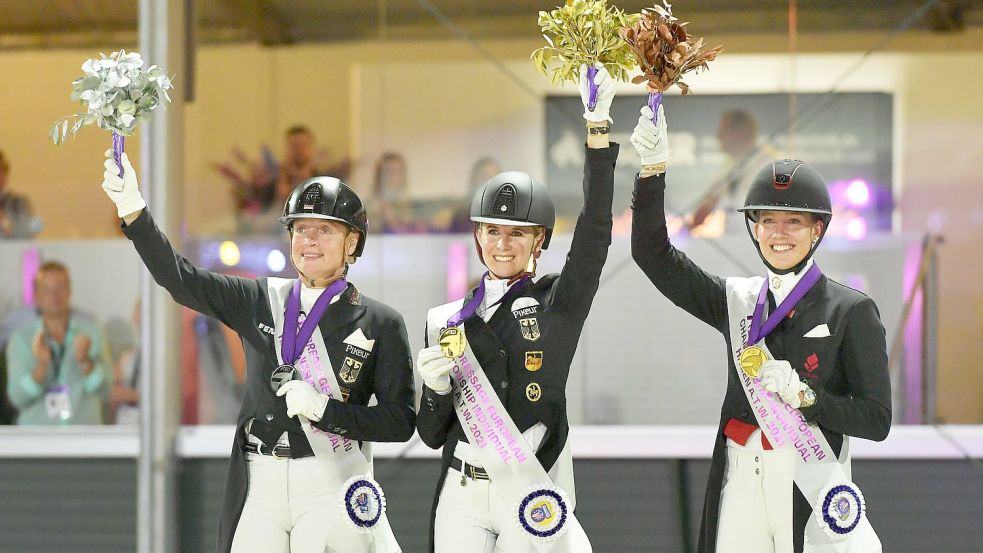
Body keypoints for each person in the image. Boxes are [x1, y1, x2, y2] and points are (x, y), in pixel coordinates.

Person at [100, 151, 415, 553]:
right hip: (259, 481)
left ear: (352, 242)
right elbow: (180, 279)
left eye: (325, 231)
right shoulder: (260, 298)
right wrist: (133, 212)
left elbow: (400, 421)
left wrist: (324, 410)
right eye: (301, 229)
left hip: (328, 481)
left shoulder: (380, 322)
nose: (310, 241)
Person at [629, 101, 891, 553]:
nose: (780, 232)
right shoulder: (736, 300)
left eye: (794, 221)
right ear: (754, 228)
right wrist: (652, 171)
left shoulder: (852, 310)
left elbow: (877, 420)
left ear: (817, 231)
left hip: (807, 477)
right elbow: (652, 255)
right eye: (768, 220)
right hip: (740, 475)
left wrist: (808, 398)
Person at [415, 63, 619, 552]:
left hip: (528, 486)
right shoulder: (443, 320)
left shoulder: (558, 303)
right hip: (462, 491)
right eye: (493, 232)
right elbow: (429, 433)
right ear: (478, 237)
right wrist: (436, 388)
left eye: (517, 233)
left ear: (539, 241)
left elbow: (594, 233)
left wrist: (597, 137)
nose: (503, 244)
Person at [5, 262, 108, 425]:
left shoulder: (90, 333)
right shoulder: (21, 340)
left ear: (70, 291)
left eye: (60, 287)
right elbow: (17, 398)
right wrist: (40, 367)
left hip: (84, 436)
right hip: (38, 437)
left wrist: (86, 362)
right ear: (36, 296)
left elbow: (106, 390)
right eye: (46, 289)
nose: (54, 295)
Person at [0, 149, 42, 238]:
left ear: (5, 174)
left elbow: (27, 235)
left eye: (1, 171)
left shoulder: (19, 202)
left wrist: (4, 221)